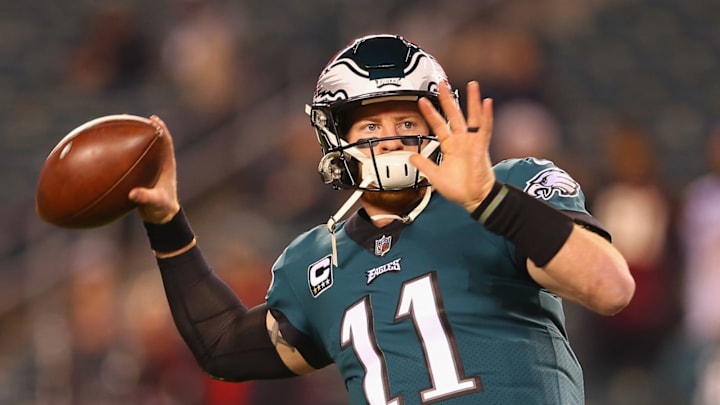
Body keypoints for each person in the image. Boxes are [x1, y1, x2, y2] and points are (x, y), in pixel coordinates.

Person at [128, 34, 635, 404]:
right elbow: (221, 347)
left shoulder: (510, 190)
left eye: (407, 121)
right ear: (336, 136)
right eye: (371, 123)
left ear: (440, 123)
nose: (390, 138)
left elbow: (610, 288)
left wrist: (488, 199)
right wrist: (167, 220)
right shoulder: (315, 261)